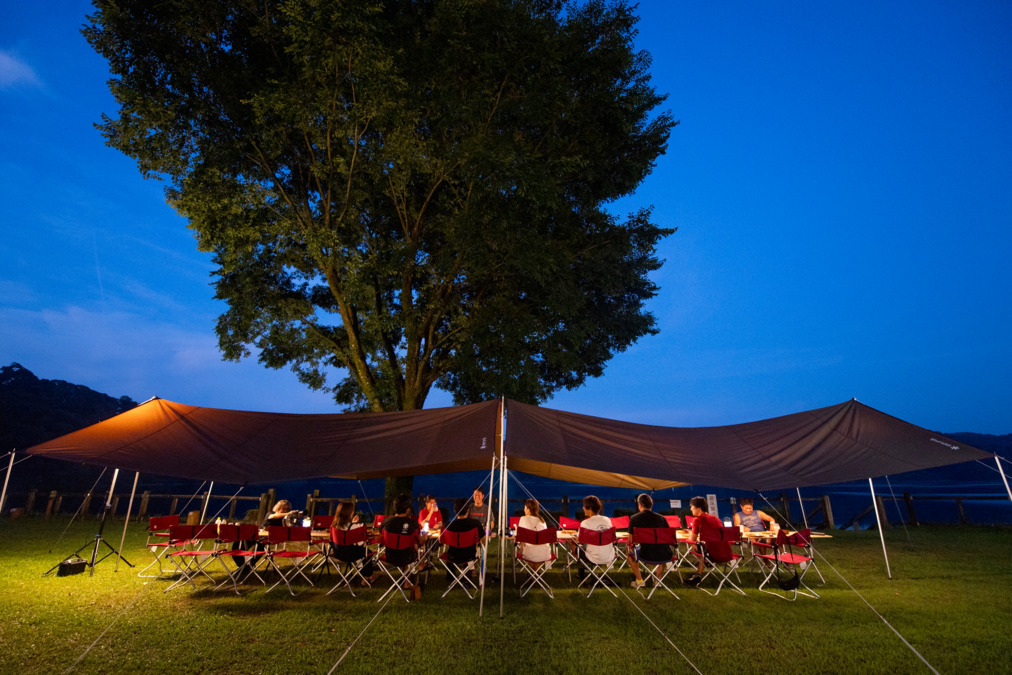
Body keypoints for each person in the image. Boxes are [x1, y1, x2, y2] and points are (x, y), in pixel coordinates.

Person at [382, 493, 427, 595]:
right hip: (407, 557)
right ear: (407, 509)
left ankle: (410, 577)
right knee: (414, 549)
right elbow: (420, 542)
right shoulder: (412, 524)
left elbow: (381, 539)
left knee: (409, 548)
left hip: (390, 556)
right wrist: (425, 536)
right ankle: (411, 587)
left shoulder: (385, 522)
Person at [627, 493, 672, 589]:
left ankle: (640, 581)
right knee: (662, 548)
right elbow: (669, 538)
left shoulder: (634, 518)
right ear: (651, 505)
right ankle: (658, 581)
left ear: (640, 504)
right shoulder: (662, 518)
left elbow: (631, 541)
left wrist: (631, 546)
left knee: (629, 551)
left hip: (645, 553)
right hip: (663, 554)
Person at [686, 496, 726, 586]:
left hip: (712, 553)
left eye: (691, 506)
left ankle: (706, 561)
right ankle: (698, 574)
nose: (690, 509)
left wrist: (689, 534)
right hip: (725, 551)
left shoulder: (698, 519)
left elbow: (692, 539)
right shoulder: (716, 518)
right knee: (704, 547)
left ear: (698, 508)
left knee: (694, 544)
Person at [331, 501, 375, 581]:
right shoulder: (355, 527)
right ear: (349, 513)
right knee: (367, 552)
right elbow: (361, 543)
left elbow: (346, 527)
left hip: (338, 553)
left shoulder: (334, 526)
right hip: (350, 554)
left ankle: (364, 575)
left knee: (362, 552)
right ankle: (368, 576)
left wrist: (352, 523)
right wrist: (355, 525)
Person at [577, 495, 614, 578]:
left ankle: (582, 572)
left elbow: (580, 540)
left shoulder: (585, 523)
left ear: (589, 508)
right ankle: (584, 571)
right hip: (609, 556)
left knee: (578, 547)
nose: (583, 508)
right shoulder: (607, 520)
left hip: (593, 557)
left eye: (584, 506)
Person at [443, 498, 486, 567]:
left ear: (455, 511)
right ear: (468, 510)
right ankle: (467, 575)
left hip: (452, 556)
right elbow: (484, 540)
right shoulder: (476, 524)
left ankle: (451, 577)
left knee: (450, 554)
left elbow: (441, 540)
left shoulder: (448, 526)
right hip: (470, 556)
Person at [517, 498, 552, 570]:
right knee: (535, 551)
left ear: (528, 509)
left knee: (529, 551)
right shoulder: (542, 520)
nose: (524, 510)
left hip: (529, 554)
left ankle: (532, 574)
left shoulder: (523, 519)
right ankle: (536, 574)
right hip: (544, 554)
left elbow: (520, 537)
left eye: (525, 508)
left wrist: (521, 549)